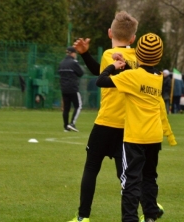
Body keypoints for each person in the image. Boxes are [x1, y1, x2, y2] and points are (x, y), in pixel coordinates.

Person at [67, 12, 176, 222]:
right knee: (128, 174)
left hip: (106, 122)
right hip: (128, 126)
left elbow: (101, 75)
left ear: (110, 33)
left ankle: (83, 217)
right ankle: (149, 207)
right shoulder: (141, 58)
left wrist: (85, 54)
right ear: (134, 39)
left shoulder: (111, 54)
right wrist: (87, 55)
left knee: (91, 168)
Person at [96, 33, 169, 222]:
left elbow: (101, 80)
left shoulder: (132, 76)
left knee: (131, 180)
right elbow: (139, 76)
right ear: (159, 56)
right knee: (150, 177)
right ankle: (151, 216)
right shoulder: (159, 77)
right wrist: (126, 66)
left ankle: (130, 219)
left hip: (136, 136)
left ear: (138, 54)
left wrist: (114, 66)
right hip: (154, 135)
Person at [58, 47, 84, 132]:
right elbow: (80, 73)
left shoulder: (61, 63)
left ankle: (65, 127)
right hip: (73, 88)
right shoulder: (73, 63)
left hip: (64, 88)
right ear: (73, 53)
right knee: (78, 106)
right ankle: (72, 123)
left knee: (66, 108)